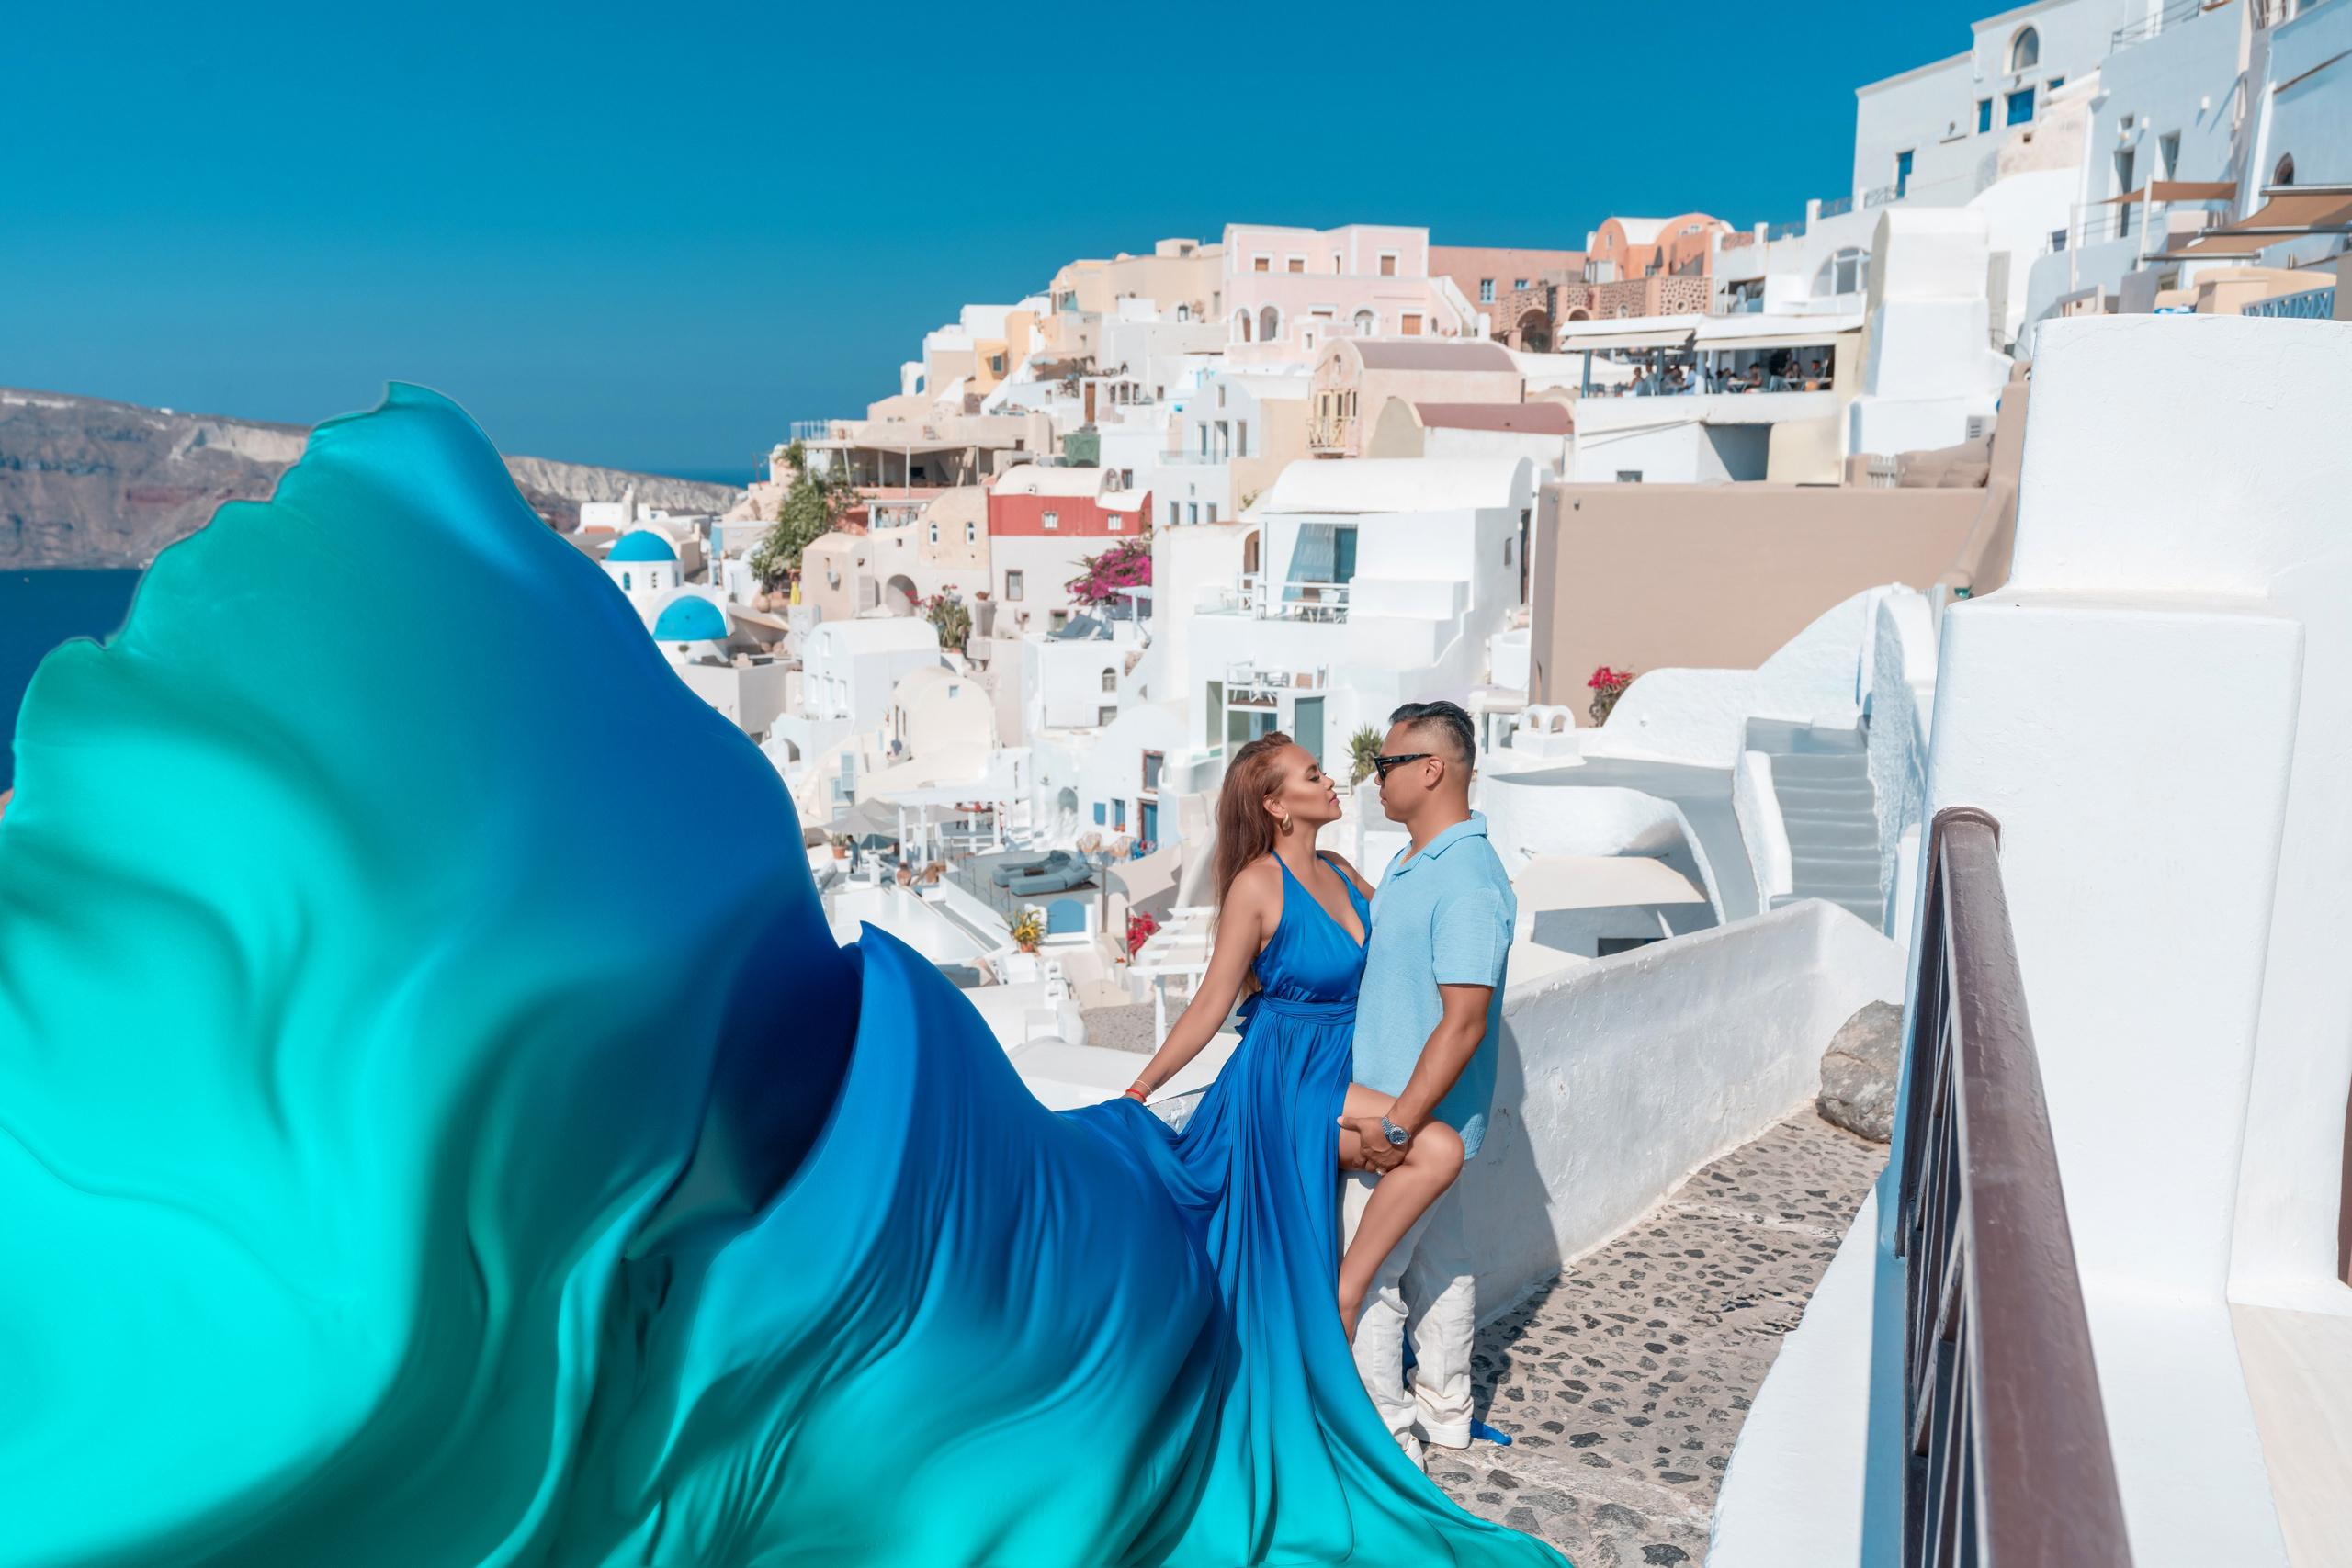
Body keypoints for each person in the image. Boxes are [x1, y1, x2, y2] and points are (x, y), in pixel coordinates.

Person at [1101, 731, 1527, 1560]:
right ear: (1274, 802)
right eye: (1311, 774)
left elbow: (1411, 947)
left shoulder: (1346, 874)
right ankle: (1343, 1300)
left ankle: (1343, 1289)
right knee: (1433, 1147)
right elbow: (1210, 1005)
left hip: (1343, 1067)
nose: (1334, 779)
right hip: (1285, 1080)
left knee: (1436, 1153)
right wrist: (1142, 1087)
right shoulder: (1259, 885)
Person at [1340, 699, 1518, 1470]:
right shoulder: (1415, 862)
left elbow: (1464, 1021)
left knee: (1370, 1267)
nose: (1374, 778)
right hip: (1406, 1113)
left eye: (1386, 764)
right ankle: (1447, 1416)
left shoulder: (1471, 878)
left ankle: (1387, 1438)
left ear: (1432, 768)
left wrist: (1398, 1126)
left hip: (1408, 1121)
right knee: (1441, 1262)